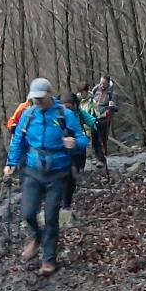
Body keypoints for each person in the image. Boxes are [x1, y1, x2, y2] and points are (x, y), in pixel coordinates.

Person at [4, 78, 89, 276]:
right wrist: (11, 163)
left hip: (58, 172)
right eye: (35, 99)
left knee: (51, 216)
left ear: (50, 94)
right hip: (33, 171)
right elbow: (19, 140)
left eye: (41, 99)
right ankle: (37, 236)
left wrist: (74, 143)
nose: (38, 103)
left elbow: (82, 139)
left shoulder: (64, 115)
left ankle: (49, 259)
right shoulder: (28, 114)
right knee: (27, 212)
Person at [60, 92, 98, 223]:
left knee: (73, 177)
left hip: (78, 150)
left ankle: (66, 204)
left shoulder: (79, 113)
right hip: (63, 154)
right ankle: (64, 204)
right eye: (65, 107)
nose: (68, 110)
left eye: (70, 107)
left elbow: (90, 120)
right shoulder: (56, 116)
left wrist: (97, 124)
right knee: (67, 177)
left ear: (75, 105)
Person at [89, 75, 117, 167]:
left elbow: (116, 107)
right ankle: (96, 157)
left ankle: (101, 159)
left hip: (104, 117)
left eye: (104, 83)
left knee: (101, 138)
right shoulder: (95, 89)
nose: (102, 85)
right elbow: (89, 98)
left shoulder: (112, 92)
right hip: (93, 116)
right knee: (94, 138)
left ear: (108, 83)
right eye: (101, 82)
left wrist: (112, 106)